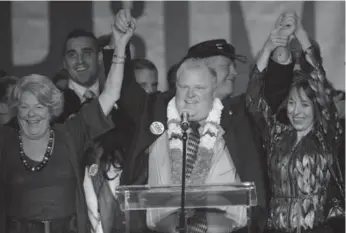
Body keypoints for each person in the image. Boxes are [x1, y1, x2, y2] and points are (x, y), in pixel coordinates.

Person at [108, 9, 297, 233]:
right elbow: (122, 89)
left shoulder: (236, 114)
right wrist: (118, 44)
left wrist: (280, 47)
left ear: (212, 82)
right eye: (185, 87)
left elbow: (271, 93)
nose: (190, 95)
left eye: (199, 87)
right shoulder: (155, 110)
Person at [0, 19, 133, 233]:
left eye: (39, 106)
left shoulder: (70, 134)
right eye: (24, 106)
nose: (31, 114)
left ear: (52, 109)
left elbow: (111, 94)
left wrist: (120, 45)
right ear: (16, 110)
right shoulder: (5, 141)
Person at [246, 12, 345, 233]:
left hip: (319, 228)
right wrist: (269, 47)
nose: (296, 111)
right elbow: (253, 99)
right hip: (276, 228)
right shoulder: (276, 134)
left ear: (317, 108)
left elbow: (319, 80)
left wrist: (300, 34)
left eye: (305, 105)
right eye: (291, 103)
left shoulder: (326, 135)